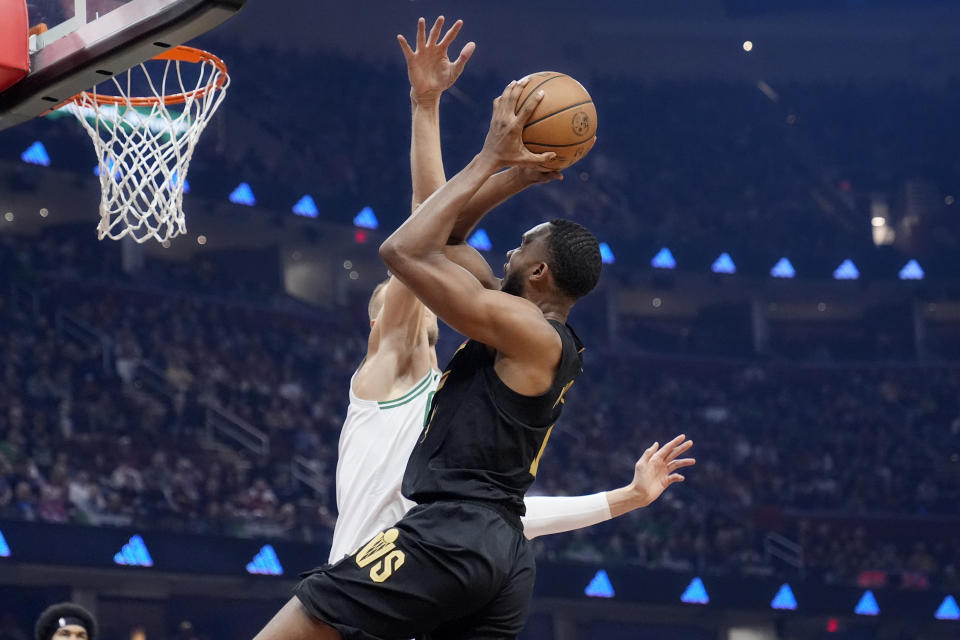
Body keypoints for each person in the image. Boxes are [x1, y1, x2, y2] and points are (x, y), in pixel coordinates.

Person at [252, 18, 695, 640]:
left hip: (447, 540)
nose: (506, 253)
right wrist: (505, 171)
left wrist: (482, 148)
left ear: (538, 272)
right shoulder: (510, 333)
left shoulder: (516, 334)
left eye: (519, 248)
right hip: (492, 547)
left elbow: (408, 249)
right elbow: (444, 232)